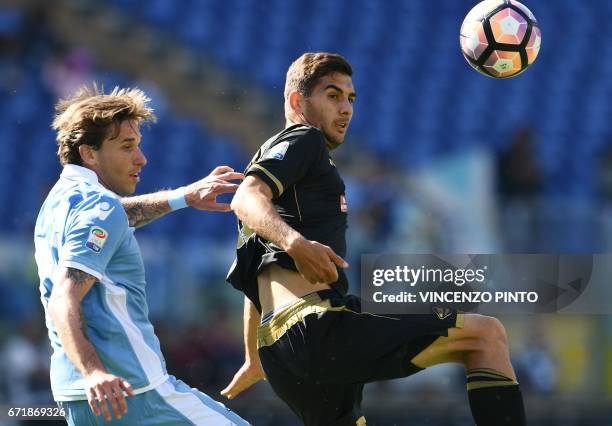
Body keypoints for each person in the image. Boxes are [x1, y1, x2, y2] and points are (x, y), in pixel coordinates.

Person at [222, 52, 526, 426]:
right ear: (297, 101)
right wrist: (296, 245)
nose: (346, 108)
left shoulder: (280, 179)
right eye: (333, 95)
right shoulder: (304, 140)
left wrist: (254, 356)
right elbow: (244, 198)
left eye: (351, 98)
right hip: (315, 328)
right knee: (486, 335)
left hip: (278, 350)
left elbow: (256, 267)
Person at [34, 85, 250, 425]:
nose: (141, 158)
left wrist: (182, 197)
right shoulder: (99, 206)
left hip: (79, 394)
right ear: (89, 154)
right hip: (133, 391)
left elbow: (118, 217)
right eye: (127, 146)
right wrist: (94, 371)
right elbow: (65, 295)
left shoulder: (59, 202)